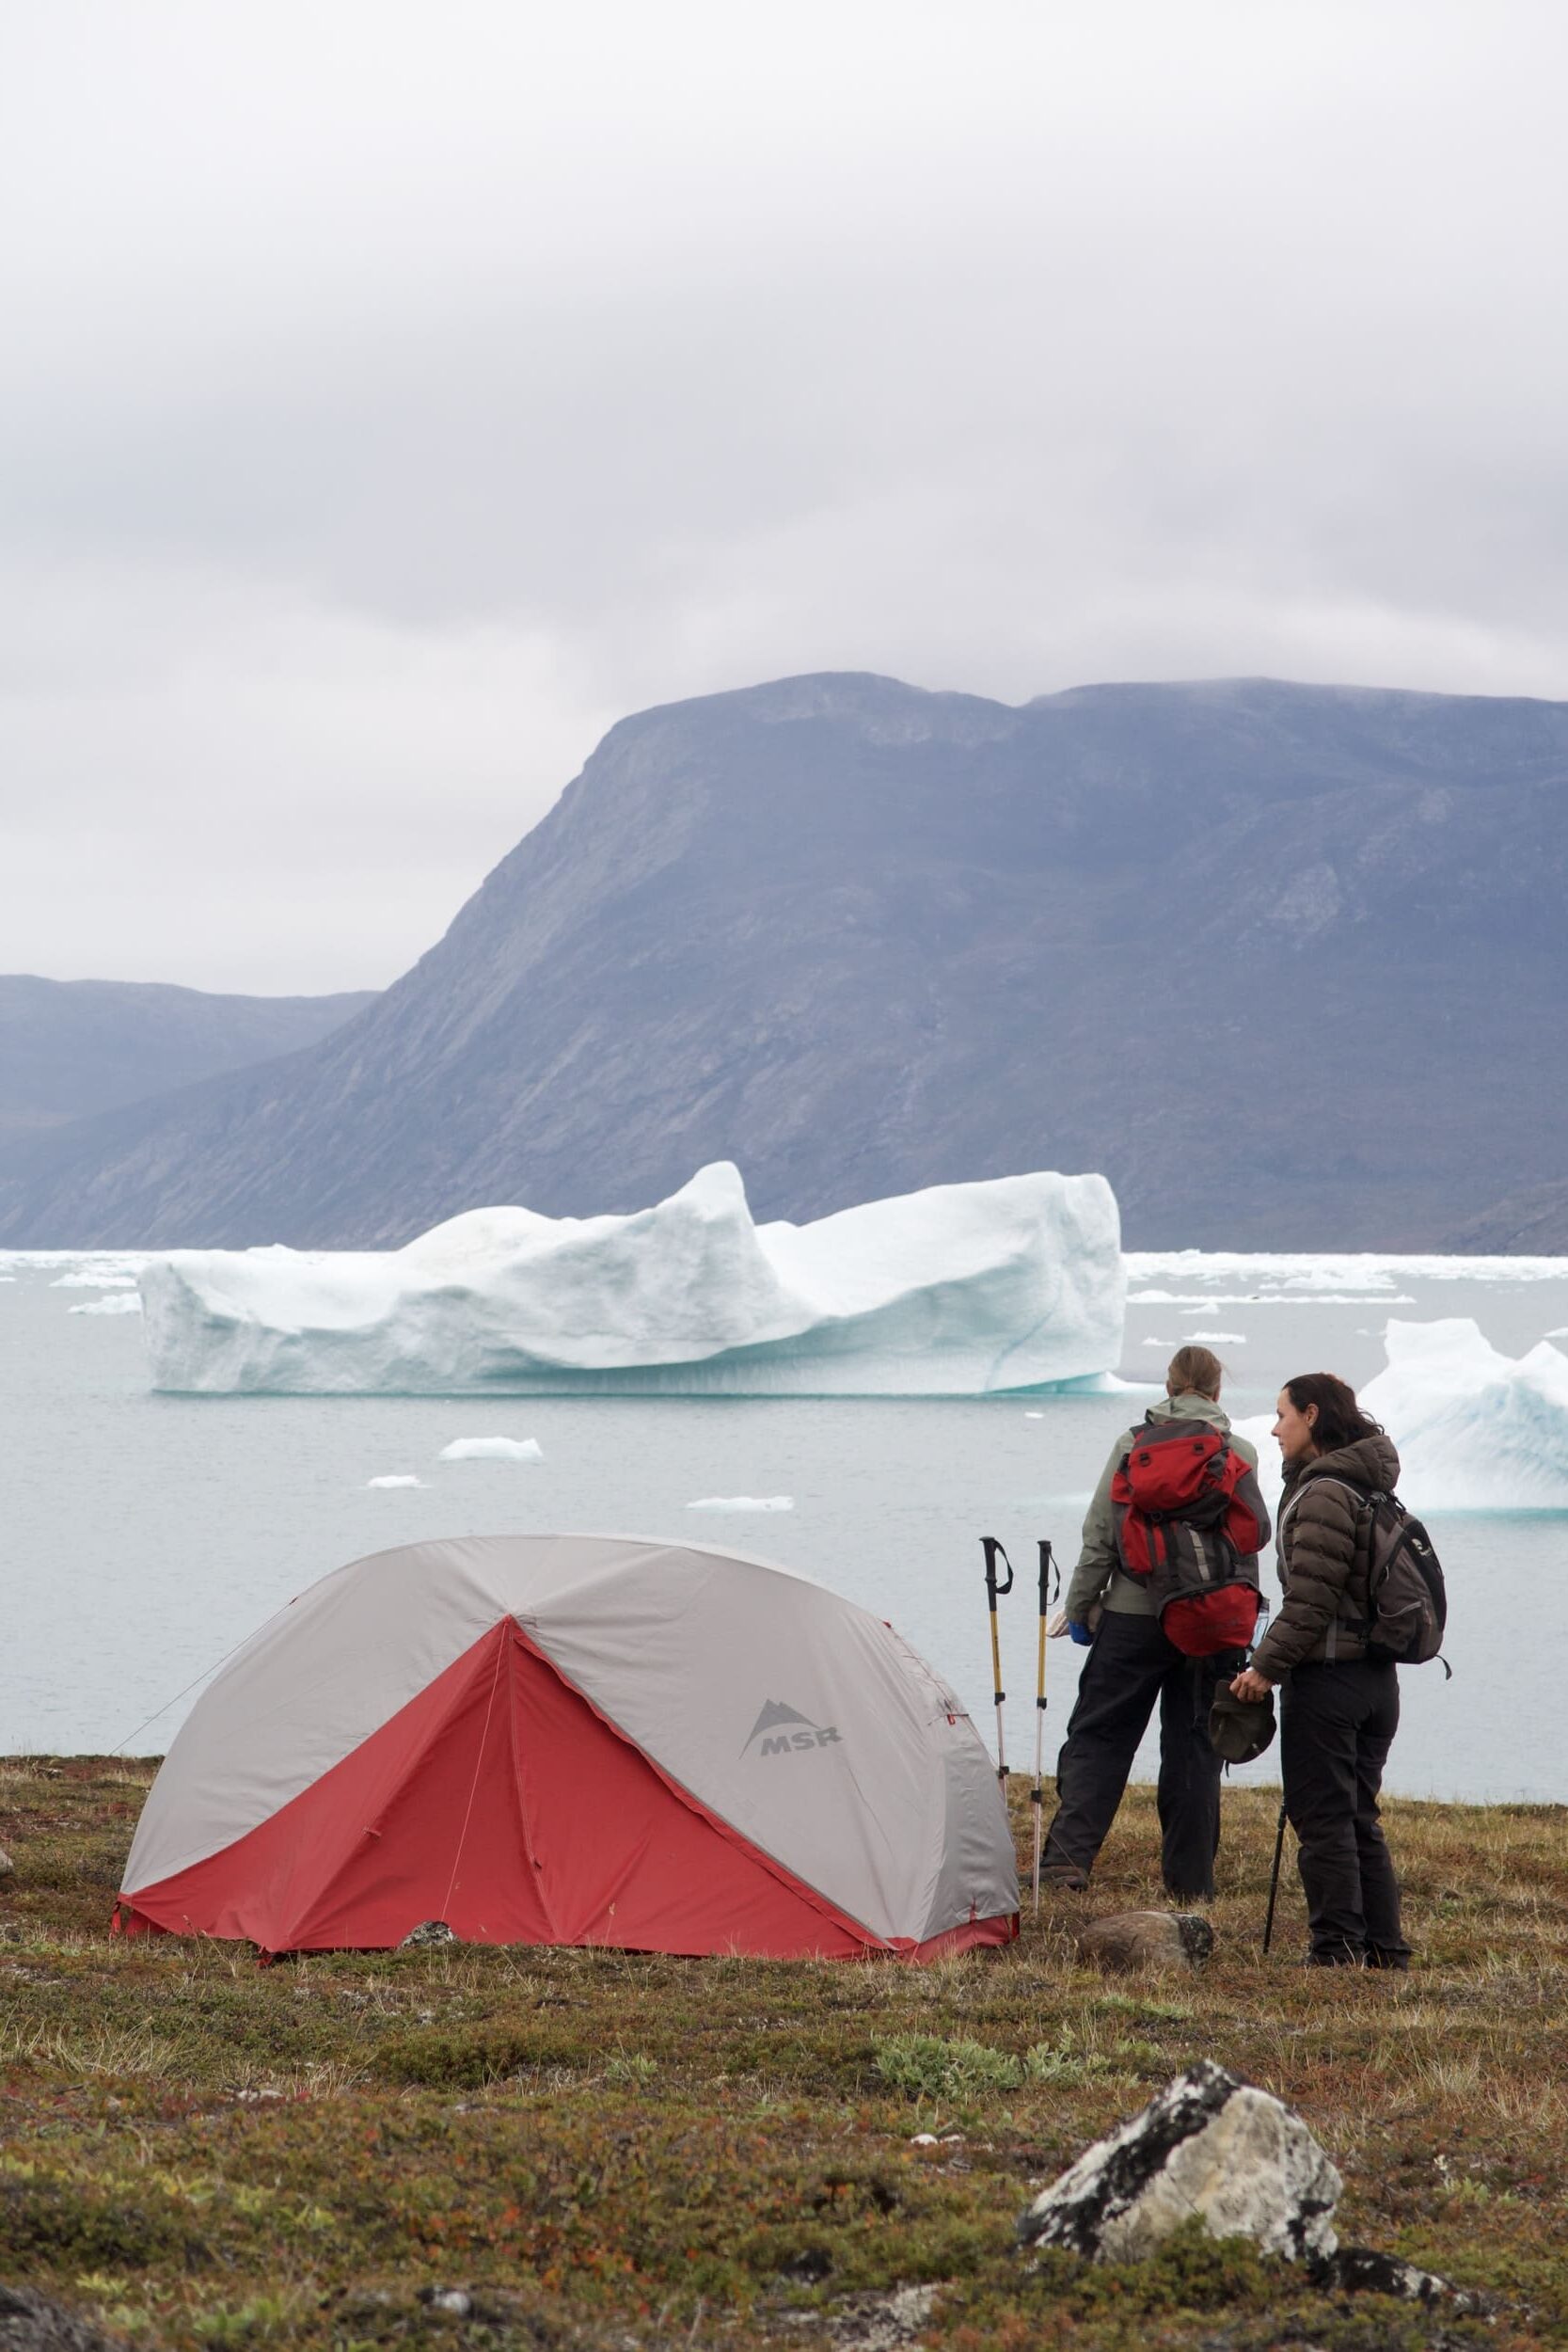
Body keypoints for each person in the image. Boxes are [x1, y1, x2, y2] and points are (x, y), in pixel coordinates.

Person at [1039, 1345, 1264, 1901]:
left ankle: (1064, 1865)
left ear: (1168, 1387)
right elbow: (1248, 1541)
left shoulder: (1131, 1445)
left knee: (1100, 1738)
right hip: (1210, 1625)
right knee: (1193, 1749)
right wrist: (1241, 1619)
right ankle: (1191, 1887)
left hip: (1132, 1618)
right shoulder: (1238, 1451)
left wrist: (1081, 1606)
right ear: (1216, 1392)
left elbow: (1101, 1536)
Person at [1230, 1373, 1410, 1968]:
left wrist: (1264, 1668)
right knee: (1359, 1815)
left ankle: (1336, 1949)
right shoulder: (1366, 1486)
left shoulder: (1326, 1492)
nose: (1275, 1428)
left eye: (1282, 1415)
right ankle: (1384, 1950)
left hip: (1330, 1679)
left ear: (1311, 1415)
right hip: (1375, 1681)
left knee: (1324, 1818)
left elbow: (1311, 1600)